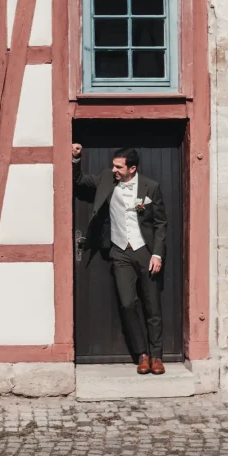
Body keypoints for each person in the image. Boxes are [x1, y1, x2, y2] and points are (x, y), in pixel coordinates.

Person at [72, 144, 168, 375]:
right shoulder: (107, 179)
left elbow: (160, 224)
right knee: (127, 304)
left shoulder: (150, 187)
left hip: (144, 251)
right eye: (113, 165)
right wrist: (76, 159)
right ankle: (142, 354)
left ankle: (156, 356)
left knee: (152, 306)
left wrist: (157, 254)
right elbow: (80, 182)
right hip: (119, 251)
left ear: (132, 169)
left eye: (118, 166)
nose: (113, 169)